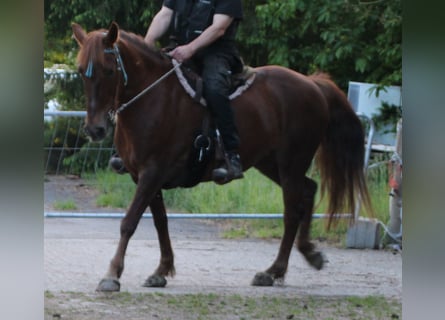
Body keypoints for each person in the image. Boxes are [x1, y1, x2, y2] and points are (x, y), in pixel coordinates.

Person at [111, 0, 244, 183]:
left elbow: (219, 28)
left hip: (216, 53)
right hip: (179, 48)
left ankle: (231, 154)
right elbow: (165, 15)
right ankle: (128, 150)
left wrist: (190, 48)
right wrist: (146, 45)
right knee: (146, 81)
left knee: (215, 90)